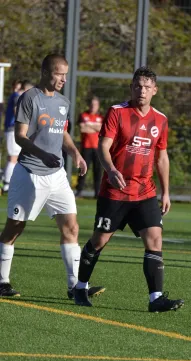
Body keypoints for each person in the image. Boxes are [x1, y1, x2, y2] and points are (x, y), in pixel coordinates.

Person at [74, 66, 184, 313]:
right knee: (100, 240)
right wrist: (111, 170)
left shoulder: (161, 119)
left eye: (146, 87)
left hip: (145, 191)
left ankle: (155, 298)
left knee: (155, 239)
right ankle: (80, 287)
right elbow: (103, 146)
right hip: (115, 191)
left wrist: (166, 192)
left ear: (154, 90)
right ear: (131, 87)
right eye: (137, 86)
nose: (141, 90)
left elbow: (162, 157)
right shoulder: (117, 112)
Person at [0, 54, 104, 299]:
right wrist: (42, 153)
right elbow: (20, 137)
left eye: (66, 74)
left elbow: (63, 132)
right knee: (14, 228)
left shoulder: (63, 102)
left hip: (56, 176)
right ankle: (2, 281)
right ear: (45, 72)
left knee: (71, 227)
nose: (63, 79)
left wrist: (76, 154)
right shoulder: (29, 98)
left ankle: (76, 287)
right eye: (59, 74)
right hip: (30, 173)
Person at [75, 96, 103, 198]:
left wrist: (89, 125)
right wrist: (96, 128)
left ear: (98, 106)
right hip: (86, 147)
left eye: (95, 104)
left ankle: (97, 193)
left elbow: (102, 129)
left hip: (97, 148)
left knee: (98, 171)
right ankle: (79, 191)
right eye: (91, 104)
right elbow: (83, 129)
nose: (93, 106)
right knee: (83, 169)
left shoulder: (101, 117)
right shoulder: (83, 115)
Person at [2, 79, 25, 193]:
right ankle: (6, 184)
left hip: (10, 129)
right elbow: (17, 111)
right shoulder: (16, 96)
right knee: (13, 157)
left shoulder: (14, 95)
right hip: (12, 129)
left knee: (12, 157)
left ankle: (6, 182)